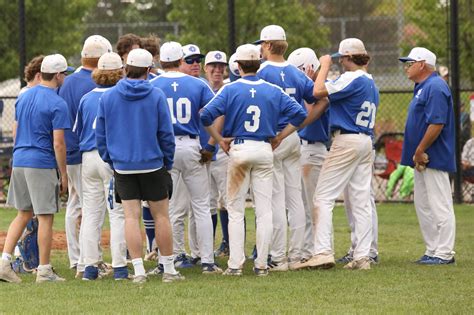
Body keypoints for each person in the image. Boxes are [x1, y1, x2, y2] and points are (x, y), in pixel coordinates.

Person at [201, 44, 307, 276]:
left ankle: (235, 265)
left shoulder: (230, 89)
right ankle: (261, 265)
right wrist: (280, 136)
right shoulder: (272, 89)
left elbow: (205, 115)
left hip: (239, 148)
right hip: (264, 148)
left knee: (236, 210)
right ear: (259, 63)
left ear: (237, 65)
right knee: (264, 210)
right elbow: (300, 114)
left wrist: (219, 140)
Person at [95, 48, 184, 283]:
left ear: (125, 68)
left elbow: (100, 136)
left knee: (131, 217)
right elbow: (166, 134)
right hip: (153, 164)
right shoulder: (155, 95)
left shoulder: (108, 97)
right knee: (162, 217)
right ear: (148, 70)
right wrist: (167, 162)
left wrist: (111, 159)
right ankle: (169, 270)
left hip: (124, 166)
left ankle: (138, 271)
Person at [300, 38, 379, 270]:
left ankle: (322, 251)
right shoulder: (371, 82)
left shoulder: (352, 77)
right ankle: (363, 256)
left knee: (323, 197)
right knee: (360, 200)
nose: (339, 61)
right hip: (365, 140)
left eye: (341, 58)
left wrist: (324, 65)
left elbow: (318, 91)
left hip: (347, 139)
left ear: (347, 58)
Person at [150, 42, 222, 274]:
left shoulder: (152, 85)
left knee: (166, 210)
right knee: (201, 206)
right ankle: (208, 262)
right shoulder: (197, 83)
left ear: (161, 61)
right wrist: (213, 142)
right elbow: (218, 111)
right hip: (191, 145)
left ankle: (165, 262)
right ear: (181, 60)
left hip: (164, 149)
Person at [256, 25, 321, 271]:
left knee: (275, 200)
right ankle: (296, 256)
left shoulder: (261, 71)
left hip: (273, 138)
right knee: (294, 199)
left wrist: (281, 134)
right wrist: (300, 124)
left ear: (269, 45)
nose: (261, 48)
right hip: (293, 137)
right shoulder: (296, 73)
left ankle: (278, 258)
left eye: (262, 44)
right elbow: (321, 98)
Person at [0, 54, 70, 283]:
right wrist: (64, 173)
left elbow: (16, 131)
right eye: (64, 74)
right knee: (46, 217)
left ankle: (4, 262)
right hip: (40, 162)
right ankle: (44, 270)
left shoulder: (24, 96)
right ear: (58, 75)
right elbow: (58, 143)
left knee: (23, 214)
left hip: (20, 159)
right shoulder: (58, 102)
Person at [58, 35, 111, 273]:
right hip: (89, 149)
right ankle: (88, 259)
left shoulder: (68, 81)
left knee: (75, 204)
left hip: (70, 149)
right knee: (92, 208)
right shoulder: (94, 82)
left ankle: (77, 257)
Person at [399, 47, 456, 265]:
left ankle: (444, 253)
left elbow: (437, 123)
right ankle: (432, 249)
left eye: (410, 63)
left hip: (434, 155)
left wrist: (421, 149)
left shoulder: (435, 86)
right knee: (423, 204)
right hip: (422, 157)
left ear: (422, 64)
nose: (406, 67)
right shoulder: (423, 86)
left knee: (440, 204)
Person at [74, 52, 128, 280]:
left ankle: (89, 267)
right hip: (110, 157)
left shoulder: (87, 97)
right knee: (117, 214)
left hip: (88, 158)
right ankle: (119, 267)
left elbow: (78, 130)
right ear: (120, 72)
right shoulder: (120, 96)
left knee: (91, 214)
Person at [287, 47, 330, 265]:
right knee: (302, 204)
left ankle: (317, 250)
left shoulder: (316, 90)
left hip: (314, 149)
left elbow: (311, 106)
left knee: (313, 203)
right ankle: (306, 250)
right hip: (303, 148)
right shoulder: (308, 88)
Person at [203, 50, 230, 256]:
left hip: (223, 150)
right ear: (206, 68)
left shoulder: (229, 88)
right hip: (202, 151)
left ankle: (228, 243)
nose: (218, 69)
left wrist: (212, 144)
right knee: (208, 201)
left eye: (221, 66)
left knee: (227, 200)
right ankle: (208, 248)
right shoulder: (200, 88)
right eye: (213, 65)